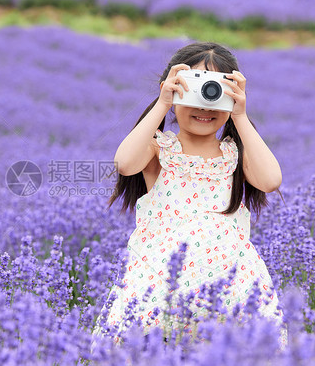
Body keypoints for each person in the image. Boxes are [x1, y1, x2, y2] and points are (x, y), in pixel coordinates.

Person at [90, 41, 288, 353]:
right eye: (194, 88)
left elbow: (270, 180)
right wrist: (161, 104)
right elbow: (125, 163)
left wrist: (240, 116)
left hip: (230, 285)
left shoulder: (235, 155)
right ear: (172, 88)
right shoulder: (161, 150)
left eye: (216, 90)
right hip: (161, 284)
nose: (205, 103)